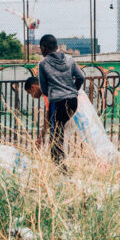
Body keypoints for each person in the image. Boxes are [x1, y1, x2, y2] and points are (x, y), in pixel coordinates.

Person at [37, 34, 84, 162]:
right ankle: (60, 164)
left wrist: (53, 94)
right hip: (72, 102)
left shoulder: (43, 64)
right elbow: (81, 77)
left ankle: (59, 167)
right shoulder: (70, 59)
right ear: (57, 47)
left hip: (57, 103)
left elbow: (44, 88)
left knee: (55, 136)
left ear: (43, 48)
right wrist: (73, 90)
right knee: (60, 131)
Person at [24, 75, 49, 147]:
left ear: (33, 87)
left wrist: (40, 138)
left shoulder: (46, 91)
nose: (32, 96)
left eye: (30, 93)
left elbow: (47, 117)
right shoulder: (47, 87)